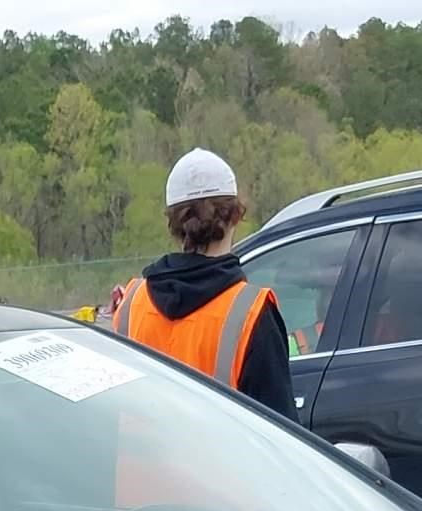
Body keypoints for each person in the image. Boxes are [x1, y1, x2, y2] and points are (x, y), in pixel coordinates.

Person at [109, 150, 291, 415]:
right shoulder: (251, 314)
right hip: (217, 458)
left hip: (138, 458)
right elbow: (283, 437)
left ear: (173, 223)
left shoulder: (130, 304)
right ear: (235, 216)